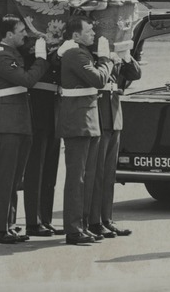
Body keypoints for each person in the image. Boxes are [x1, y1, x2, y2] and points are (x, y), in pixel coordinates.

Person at [0, 15, 48, 244]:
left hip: (19, 122)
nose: (25, 34)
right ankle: (0, 229)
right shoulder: (1, 55)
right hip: (7, 123)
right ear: (8, 34)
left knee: (14, 178)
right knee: (5, 177)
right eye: (21, 31)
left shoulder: (11, 54)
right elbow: (27, 80)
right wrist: (42, 59)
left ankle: (8, 225)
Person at [57, 16, 114, 245]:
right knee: (76, 178)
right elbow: (99, 79)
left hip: (88, 120)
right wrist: (106, 59)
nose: (93, 34)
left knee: (87, 177)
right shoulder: (75, 54)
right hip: (78, 122)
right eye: (89, 31)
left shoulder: (82, 53)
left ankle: (82, 224)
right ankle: (73, 228)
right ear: (76, 35)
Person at [87, 50, 141, 239]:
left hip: (114, 116)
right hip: (100, 115)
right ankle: (93, 220)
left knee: (109, 174)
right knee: (97, 173)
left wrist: (126, 57)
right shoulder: (93, 54)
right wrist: (104, 58)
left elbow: (135, 74)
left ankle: (106, 219)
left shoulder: (114, 54)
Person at [24, 51, 62, 237]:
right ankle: (33, 221)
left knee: (50, 170)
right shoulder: (32, 48)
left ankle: (45, 219)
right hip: (38, 104)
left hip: (54, 105)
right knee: (36, 169)